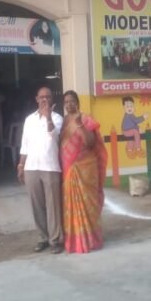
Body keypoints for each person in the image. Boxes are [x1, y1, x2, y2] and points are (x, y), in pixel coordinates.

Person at [17, 87, 64, 254]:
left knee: (53, 206)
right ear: (36, 99)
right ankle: (43, 237)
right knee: (37, 205)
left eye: (47, 97)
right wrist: (21, 164)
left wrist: (48, 117)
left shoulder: (58, 118)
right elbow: (25, 144)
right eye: (41, 97)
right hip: (31, 167)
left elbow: (54, 135)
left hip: (50, 167)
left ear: (52, 99)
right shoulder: (29, 120)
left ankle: (55, 240)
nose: (44, 99)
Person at [60, 91, 107, 254]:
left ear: (78, 103)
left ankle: (90, 240)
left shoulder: (86, 119)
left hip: (85, 169)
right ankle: (75, 241)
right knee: (70, 206)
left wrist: (80, 125)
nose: (69, 104)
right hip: (68, 170)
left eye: (72, 101)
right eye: (66, 102)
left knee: (87, 205)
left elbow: (91, 142)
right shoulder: (63, 122)